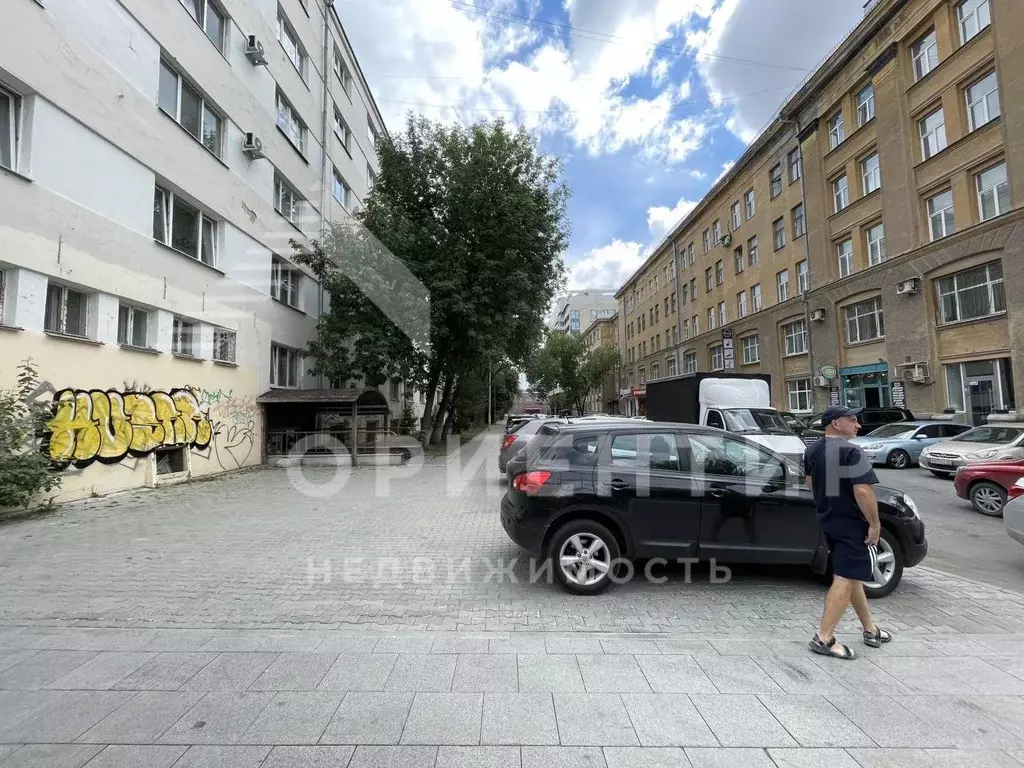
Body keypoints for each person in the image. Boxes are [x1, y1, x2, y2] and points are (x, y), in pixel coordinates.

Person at [803, 405, 892, 660]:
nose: (858, 425)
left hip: (829, 521)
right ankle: (823, 638)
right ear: (835, 424)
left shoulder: (813, 449)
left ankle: (870, 629)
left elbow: (810, 482)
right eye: (852, 420)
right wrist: (874, 524)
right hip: (852, 524)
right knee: (845, 577)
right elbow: (863, 491)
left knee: (851, 575)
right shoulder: (851, 451)